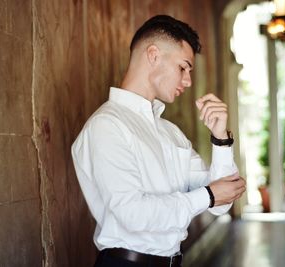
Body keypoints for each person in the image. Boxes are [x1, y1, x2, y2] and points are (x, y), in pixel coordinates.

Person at [71, 14, 246, 267]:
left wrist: (220, 139)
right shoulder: (107, 125)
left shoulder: (170, 132)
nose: (187, 81)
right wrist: (207, 196)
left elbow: (221, 202)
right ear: (153, 55)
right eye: (183, 67)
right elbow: (132, 214)